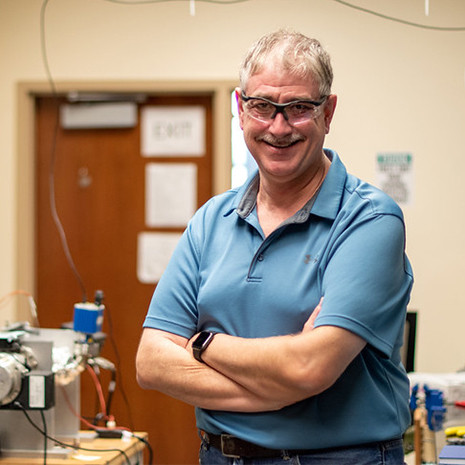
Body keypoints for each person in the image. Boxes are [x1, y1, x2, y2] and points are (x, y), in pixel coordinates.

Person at [136, 29, 414, 465]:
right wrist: (278, 392)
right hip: (221, 456)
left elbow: (311, 368)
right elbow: (151, 363)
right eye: (263, 106)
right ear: (240, 109)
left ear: (329, 112)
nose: (278, 127)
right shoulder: (211, 221)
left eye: (299, 108)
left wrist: (202, 344)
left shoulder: (370, 220)